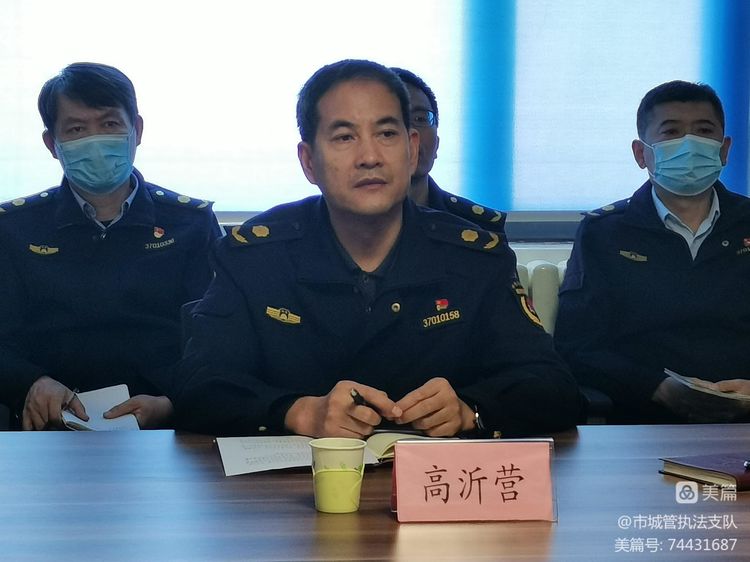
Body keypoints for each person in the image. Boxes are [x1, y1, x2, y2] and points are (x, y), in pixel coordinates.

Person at [173, 59, 580, 438]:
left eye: (386, 134)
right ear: (309, 161)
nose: (369, 157)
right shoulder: (255, 258)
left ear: (412, 149)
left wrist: (470, 409)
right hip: (292, 485)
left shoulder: (475, 258)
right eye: (344, 137)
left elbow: (553, 387)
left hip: (438, 484)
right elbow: (198, 385)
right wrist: (298, 413)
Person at [0, 62, 221, 430]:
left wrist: (173, 402)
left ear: (137, 130)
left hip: (167, 425)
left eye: (109, 124)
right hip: (52, 426)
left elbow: (219, 340)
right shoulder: (14, 229)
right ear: (52, 144)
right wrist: (30, 382)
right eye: (76, 129)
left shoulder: (191, 224)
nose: (96, 141)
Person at [555, 80, 750, 423]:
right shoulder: (604, 233)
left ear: (724, 149)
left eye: (704, 131)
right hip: (642, 416)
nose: (689, 144)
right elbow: (577, 345)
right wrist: (657, 388)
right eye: (671, 132)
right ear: (640, 153)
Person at [390, 67, 506, 233]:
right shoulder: (349, 226)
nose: (410, 131)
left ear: (437, 144)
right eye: (391, 121)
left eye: (420, 118)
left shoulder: (479, 229)